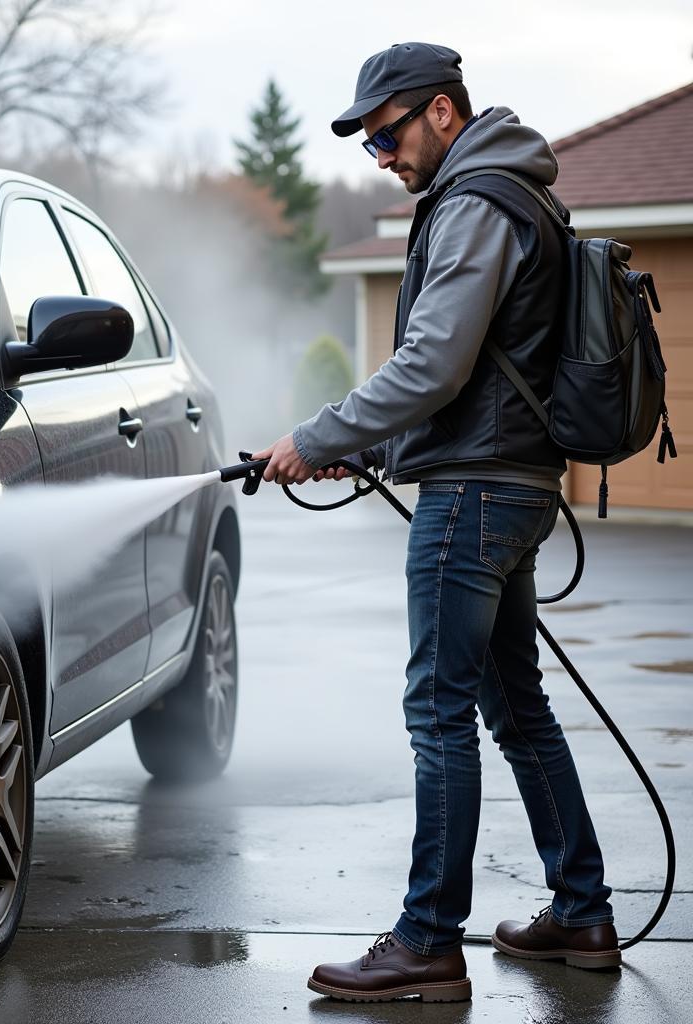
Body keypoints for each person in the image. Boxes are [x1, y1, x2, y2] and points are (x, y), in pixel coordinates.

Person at [251, 41, 620, 1004]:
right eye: (370, 145)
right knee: (511, 703)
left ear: (443, 114)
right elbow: (473, 374)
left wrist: (319, 428)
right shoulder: (512, 192)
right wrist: (362, 449)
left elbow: (433, 365)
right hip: (513, 482)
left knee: (438, 708)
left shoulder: (475, 202)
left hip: (476, 498)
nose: (382, 157)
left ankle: (426, 941)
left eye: (387, 135)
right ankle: (581, 909)